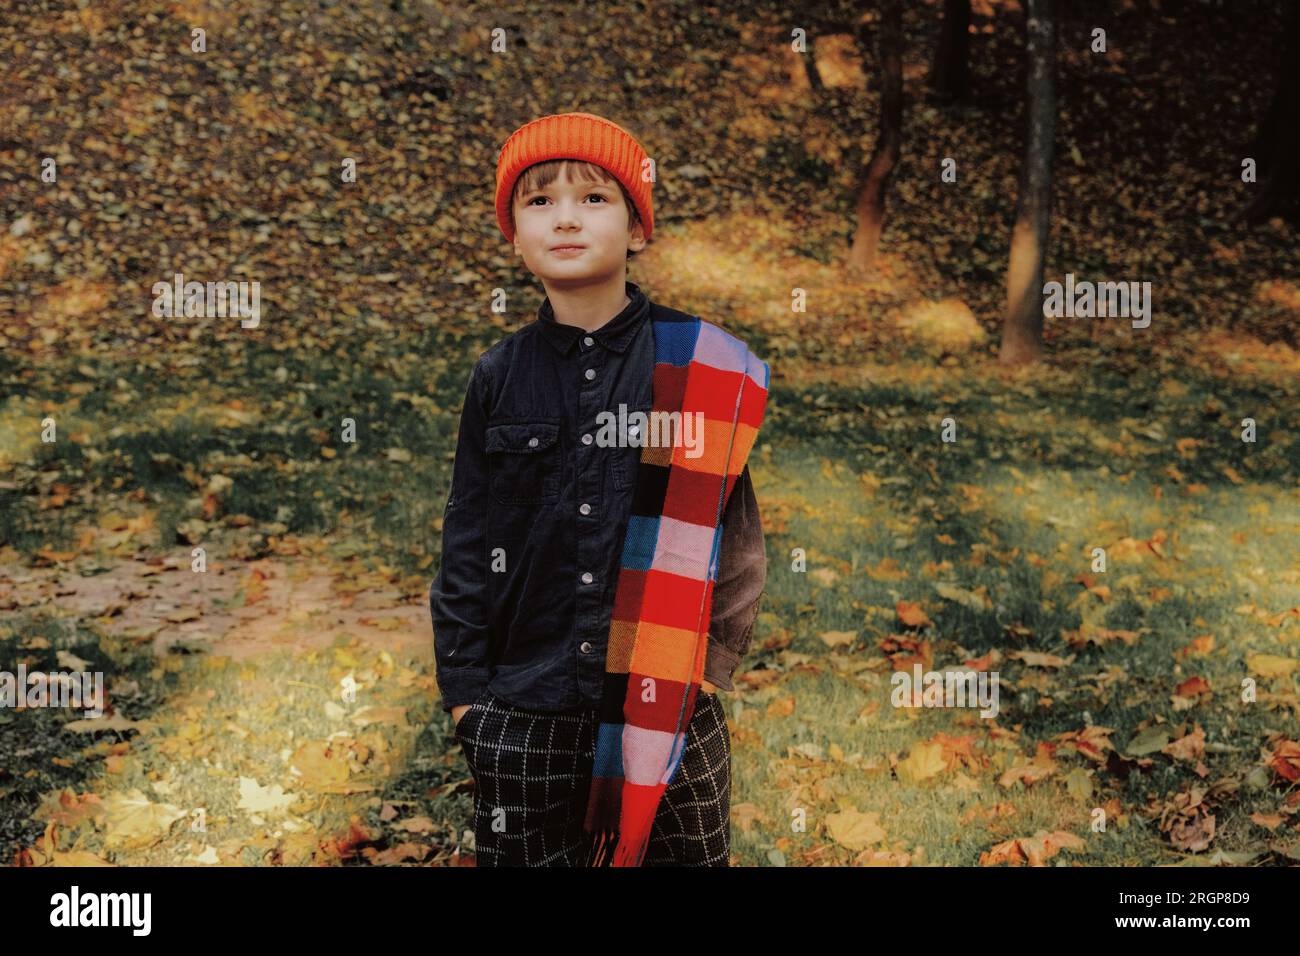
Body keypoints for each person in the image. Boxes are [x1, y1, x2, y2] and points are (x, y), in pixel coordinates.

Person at [429, 111, 769, 866]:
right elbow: (465, 542)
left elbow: (736, 537)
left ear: (638, 228)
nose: (565, 219)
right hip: (525, 708)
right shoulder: (496, 377)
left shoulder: (698, 368)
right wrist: (466, 699)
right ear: (515, 239)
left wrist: (708, 672)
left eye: (594, 198)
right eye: (539, 202)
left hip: (670, 702)